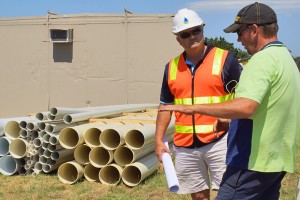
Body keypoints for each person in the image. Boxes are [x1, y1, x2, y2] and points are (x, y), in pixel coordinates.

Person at [159, 2, 300, 200]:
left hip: (252, 161)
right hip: (276, 161)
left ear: (253, 29)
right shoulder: (285, 59)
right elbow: (271, 108)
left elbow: (247, 106)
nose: (238, 38)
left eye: (240, 32)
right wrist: (231, 120)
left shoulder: (261, 60)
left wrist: (192, 108)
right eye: (185, 34)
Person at [155, 8, 242, 200]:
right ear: (178, 38)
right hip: (185, 145)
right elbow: (165, 106)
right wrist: (159, 139)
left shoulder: (226, 60)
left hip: (221, 140)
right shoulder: (171, 68)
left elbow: (244, 99)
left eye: (197, 30)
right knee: (199, 197)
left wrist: (230, 120)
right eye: (186, 34)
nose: (192, 36)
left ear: (203, 29)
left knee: (229, 194)